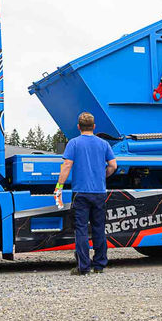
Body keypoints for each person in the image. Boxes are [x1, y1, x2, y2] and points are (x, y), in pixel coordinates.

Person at [55, 112, 117, 275]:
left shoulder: (74, 143)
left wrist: (59, 186)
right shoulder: (103, 144)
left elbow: (67, 165)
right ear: (94, 127)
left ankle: (83, 267)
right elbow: (113, 165)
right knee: (99, 227)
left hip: (80, 192)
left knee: (81, 229)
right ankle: (99, 265)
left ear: (78, 127)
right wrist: (102, 176)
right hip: (99, 192)